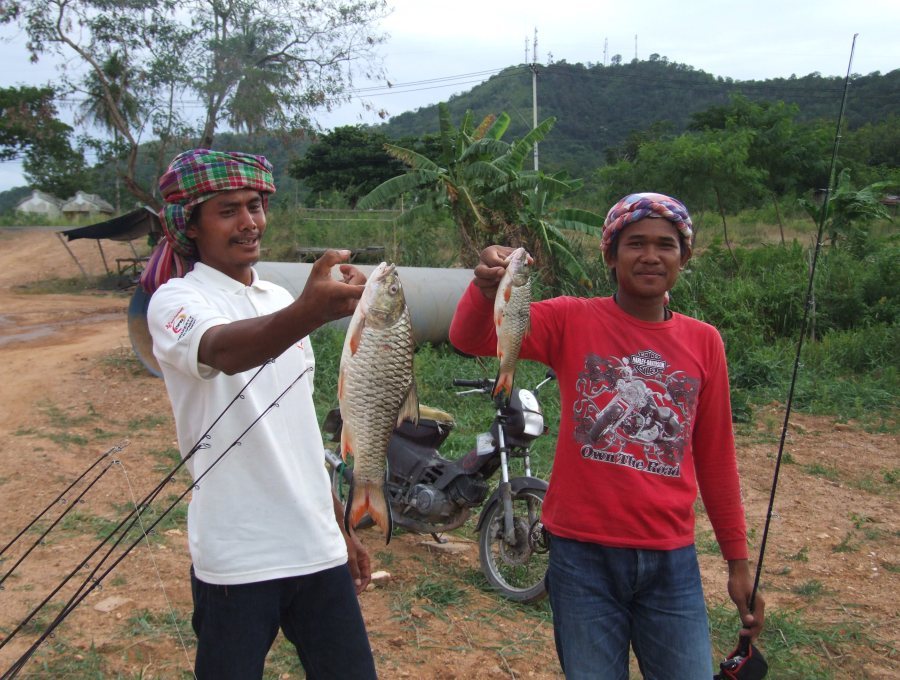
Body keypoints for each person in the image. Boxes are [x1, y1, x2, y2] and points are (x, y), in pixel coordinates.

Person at [449, 192, 765, 679]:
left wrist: (737, 562)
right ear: (610, 256)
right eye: (635, 243)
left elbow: (717, 458)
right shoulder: (571, 318)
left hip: (671, 561)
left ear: (684, 256)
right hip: (582, 558)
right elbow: (470, 339)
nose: (651, 256)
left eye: (666, 244)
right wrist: (486, 289)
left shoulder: (705, 342)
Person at [142, 149, 377, 680]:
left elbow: (297, 429)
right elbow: (224, 350)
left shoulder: (277, 295)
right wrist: (310, 311)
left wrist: (339, 525)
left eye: (255, 206)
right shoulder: (176, 300)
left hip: (316, 548)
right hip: (238, 556)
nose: (249, 222)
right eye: (227, 210)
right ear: (191, 226)